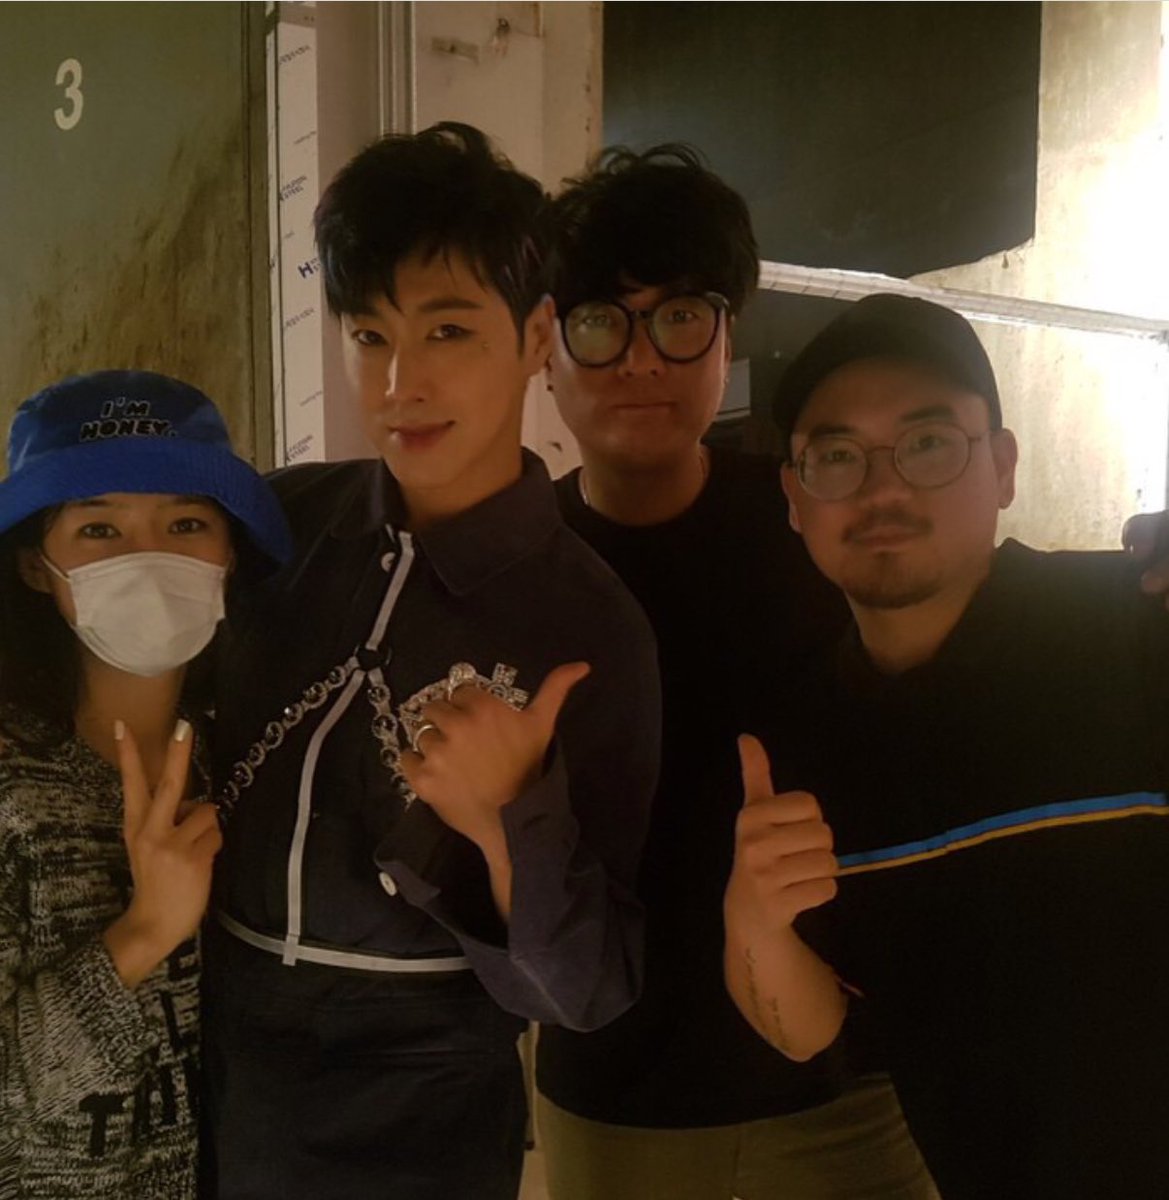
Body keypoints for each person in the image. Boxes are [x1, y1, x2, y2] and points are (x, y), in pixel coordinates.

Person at [200, 123, 661, 1200]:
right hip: (210, 1068)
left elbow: (585, 991)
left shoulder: (588, 626)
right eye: (370, 335)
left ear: (536, 336)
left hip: (421, 1112)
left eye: (448, 330)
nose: (400, 381)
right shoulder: (277, 527)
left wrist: (508, 825)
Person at [537, 146, 936, 1199]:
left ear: (727, 336)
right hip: (613, 1111)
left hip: (847, 1094)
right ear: (545, 347)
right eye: (599, 322)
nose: (641, 361)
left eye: (679, 316)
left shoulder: (814, 516)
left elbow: (969, 596)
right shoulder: (510, 569)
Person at [724, 293, 1169, 1198]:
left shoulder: (1134, 632)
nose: (881, 489)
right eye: (836, 457)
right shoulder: (803, 743)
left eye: (927, 443)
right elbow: (815, 1033)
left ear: (1002, 466)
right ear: (794, 499)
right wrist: (754, 920)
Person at [0, 370, 290, 1198]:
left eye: (186, 523)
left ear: (229, 555)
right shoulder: (11, 787)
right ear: (36, 567)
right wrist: (143, 931)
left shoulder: (244, 766)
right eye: (99, 528)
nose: (147, 555)